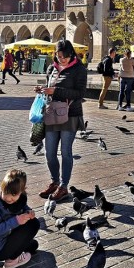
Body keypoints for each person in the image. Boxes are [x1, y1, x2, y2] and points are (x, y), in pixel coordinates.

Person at [36, 40, 88, 201]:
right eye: (58, 56)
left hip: (70, 115)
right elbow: (49, 86)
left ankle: (64, 186)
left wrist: (56, 91)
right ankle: (54, 181)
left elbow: (79, 93)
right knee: (49, 153)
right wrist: (44, 90)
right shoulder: (52, 68)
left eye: (64, 57)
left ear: (71, 54)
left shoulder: (79, 69)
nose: (61, 59)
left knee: (66, 152)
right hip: (52, 113)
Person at [0, 169, 40, 268]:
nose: (9, 198)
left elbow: (22, 207)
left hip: (6, 236)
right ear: (2, 187)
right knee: (34, 224)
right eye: (6, 193)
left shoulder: (20, 197)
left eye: (14, 195)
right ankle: (11, 261)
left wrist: (28, 212)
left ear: (22, 191)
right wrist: (16, 221)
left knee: (33, 245)